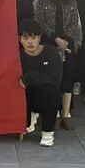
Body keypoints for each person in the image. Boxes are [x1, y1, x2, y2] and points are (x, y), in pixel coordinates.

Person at [33, 0, 81, 130]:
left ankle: (66, 114)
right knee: (52, 78)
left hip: (67, 42)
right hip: (49, 42)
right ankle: (53, 113)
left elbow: (74, 19)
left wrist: (66, 38)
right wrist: (55, 38)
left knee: (68, 77)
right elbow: (40, 20)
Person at [19, 18, 63, 148]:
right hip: (25, 96)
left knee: (53, 93)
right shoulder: (17, 56)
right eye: (25, 38)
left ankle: (48, 132)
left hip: (46, 95)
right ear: (20, 39)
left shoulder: (52, 53)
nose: (30, 42)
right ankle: (29, 118)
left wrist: (31, 76)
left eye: (33, 37)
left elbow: (55, 80)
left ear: (39, 38)